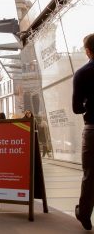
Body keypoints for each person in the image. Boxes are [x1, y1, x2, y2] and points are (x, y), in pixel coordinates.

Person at [72, 33, 94, 230]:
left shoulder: (82, 73)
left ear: (87, 51)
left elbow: (77, 108)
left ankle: (85, 215)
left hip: (93, 129)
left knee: (90, 174)